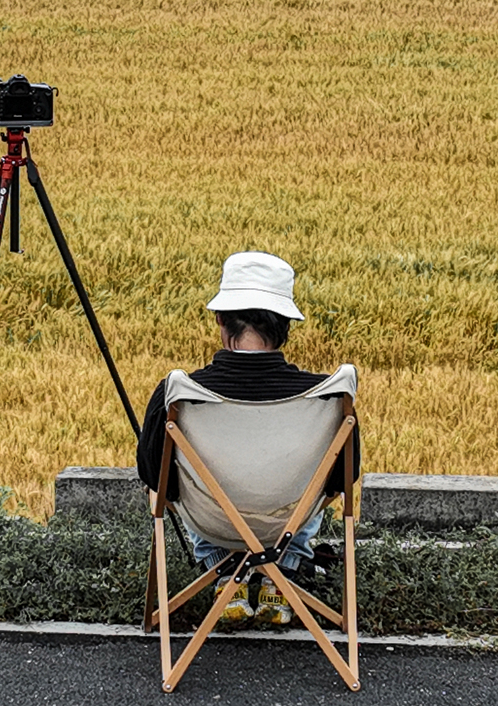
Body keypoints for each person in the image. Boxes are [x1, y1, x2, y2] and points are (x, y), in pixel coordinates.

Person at [137, 251, 360, 625]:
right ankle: (282, 574)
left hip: (212, 522)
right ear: (286, 324)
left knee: (169, 483)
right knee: (315, 481)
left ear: (221, 320)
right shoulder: (330, 396)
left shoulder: (179, 393)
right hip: (289, 520)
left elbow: (153, 473)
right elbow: (342, 481)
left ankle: (226, 574)